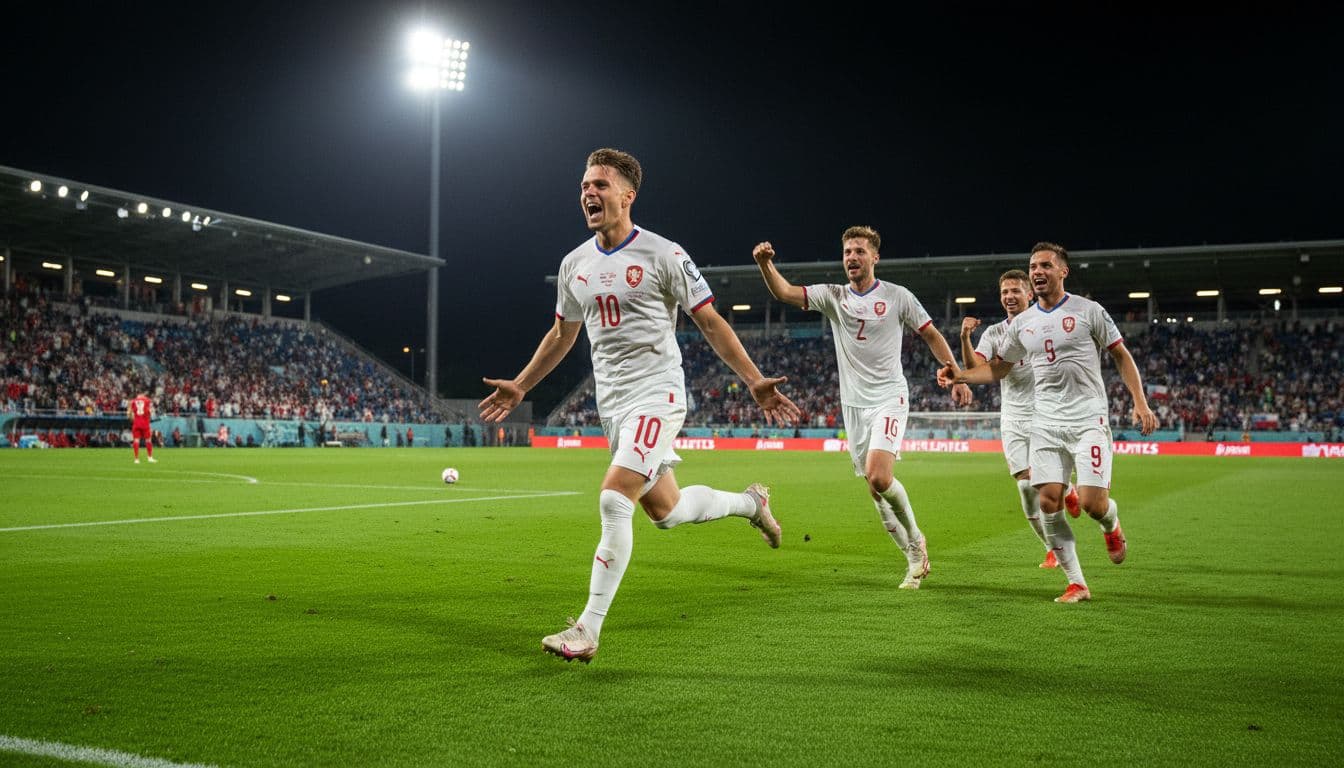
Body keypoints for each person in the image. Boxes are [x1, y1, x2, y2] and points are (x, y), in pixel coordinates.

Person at [480, 148, 800, 663]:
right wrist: (521, 385)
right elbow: (563, 334)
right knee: (666, 513)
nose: (589, 192)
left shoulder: (665, 255)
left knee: (613, 500)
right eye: (585, 184)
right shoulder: (574, 264)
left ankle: (587, 629)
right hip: (614, 405)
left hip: (658, 394)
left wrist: (755, 379)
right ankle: (751, 503)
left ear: (628, 195)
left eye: (601, 185)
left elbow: (711, 322)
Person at [939, 241, 1159, 603]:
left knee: (1092, 504)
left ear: (1062, 271)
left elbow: (1120, 354)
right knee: (1048, 501)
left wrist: (1139, 401)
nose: (1037, 272)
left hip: (1087, 418)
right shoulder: (1021, 324)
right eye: (1033, 267)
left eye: (1044, 266)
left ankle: (1111, 523)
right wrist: (961, 376)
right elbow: (999, 367)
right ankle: (1077, 583)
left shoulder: (1088, 311)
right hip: (1045, 421)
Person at [752, 228, 971, 590]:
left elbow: (930, 333)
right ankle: (913, 558)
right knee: (874, 489)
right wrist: (765, 264)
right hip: (854, 406)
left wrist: (958, 375)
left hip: (889, 397)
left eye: (858, 251)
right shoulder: (833, 296)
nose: (851, 257)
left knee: (880, 477)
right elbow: (785, 291)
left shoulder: (897, 296)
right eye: (847, 252)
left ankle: (917, 540)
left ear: (874, 258)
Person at [959, 269, 1080, 571]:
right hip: (1012, 416)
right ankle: (1050, 546)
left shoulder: (1046, 324)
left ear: (1029, 294)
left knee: (1042, 485)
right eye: (1004, 293)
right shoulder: (995, 333)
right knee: (1027, 491)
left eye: (1015, 291)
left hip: (1045, 411)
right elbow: (977, 367)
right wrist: (964, 336)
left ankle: (1068, 491)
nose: (1009, 297)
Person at [128, 392, 156, 464]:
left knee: (136, 441)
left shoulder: (133, 401)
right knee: (148, 440)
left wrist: (133, 418)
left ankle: (136, 459)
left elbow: (129, 414)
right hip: (145, 424)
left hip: (136, 423)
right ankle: (150, 457)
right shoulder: (147, 400)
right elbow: (151, 411)